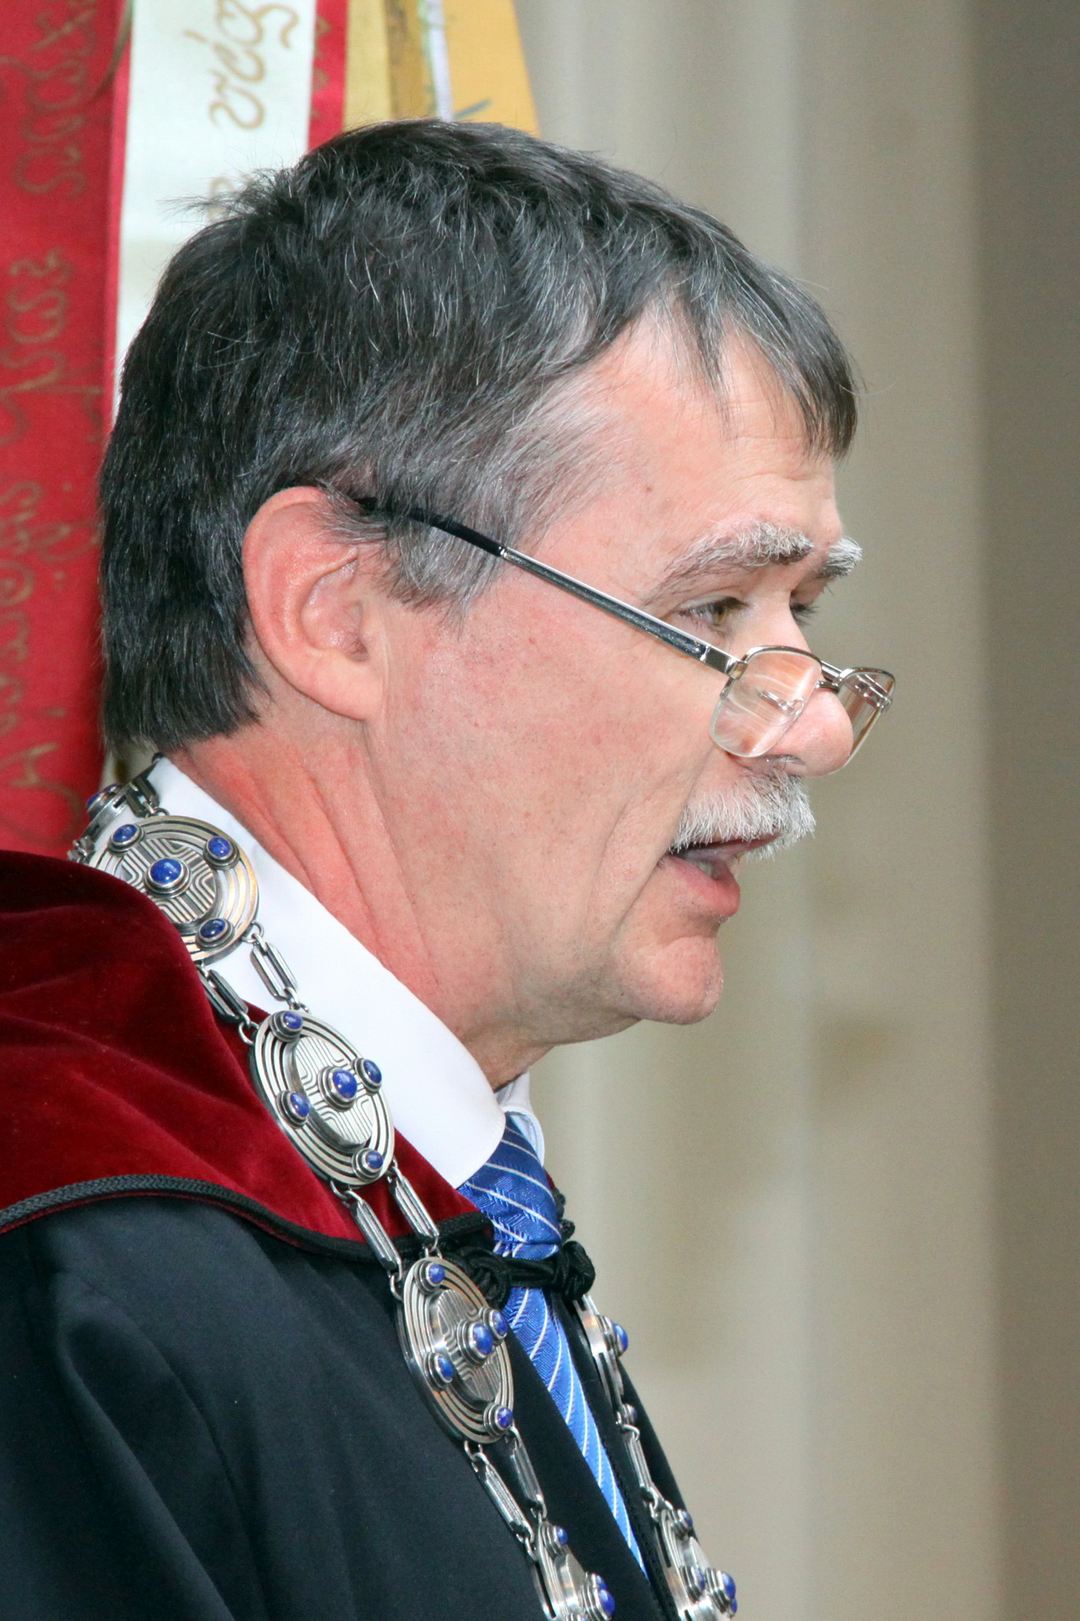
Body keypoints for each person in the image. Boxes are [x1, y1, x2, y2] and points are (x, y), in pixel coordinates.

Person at [0, 120, 892, 1621]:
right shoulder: (70, 1246)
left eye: (805, 612)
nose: (813, 727)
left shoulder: (425, 1197)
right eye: (716, 610)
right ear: (339, 611)